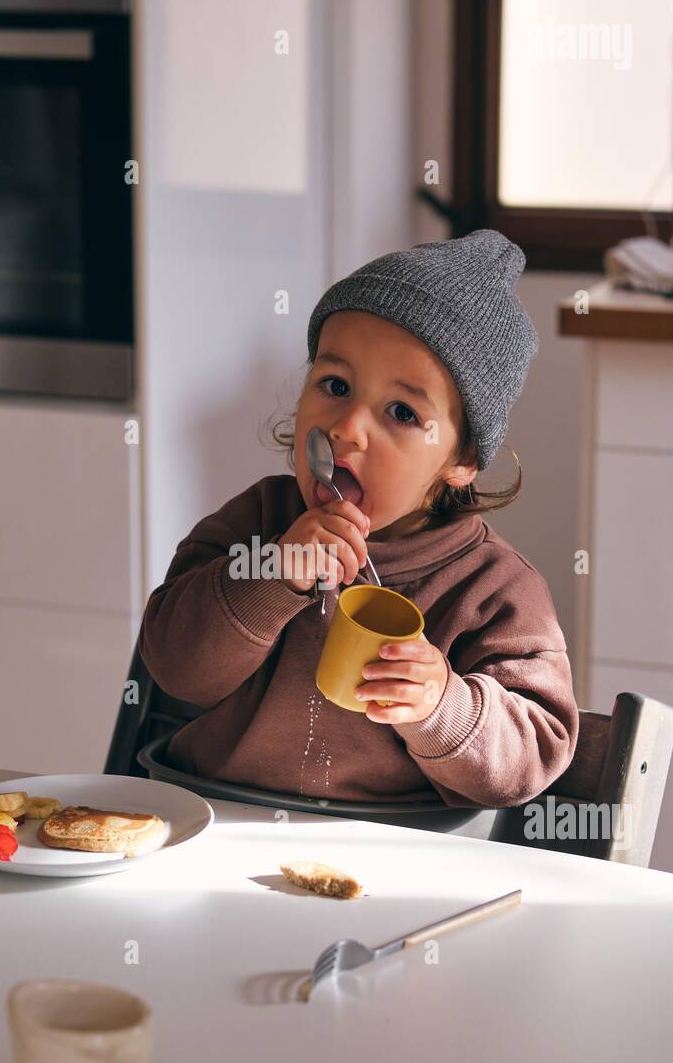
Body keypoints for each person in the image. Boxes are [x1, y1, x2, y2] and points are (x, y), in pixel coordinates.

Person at [138, 230, 579, 808]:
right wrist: (270, 577)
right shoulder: (257, 521)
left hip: (390, 866)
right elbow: (175, 667)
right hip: (214, 823)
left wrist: (442, 706)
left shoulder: (496, 590)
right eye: (335, 385)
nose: (346, 428)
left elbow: (530, 761)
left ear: (463, 460)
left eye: (401, 411)